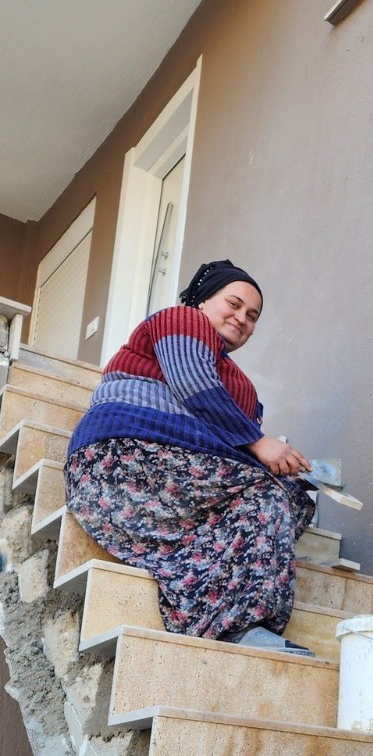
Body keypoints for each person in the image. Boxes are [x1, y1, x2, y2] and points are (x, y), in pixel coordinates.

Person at [65, 260, 316, 651]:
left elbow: (227, 440)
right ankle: (236, 626)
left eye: (252, 317)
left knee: (289, 499)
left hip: (170, 480)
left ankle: (210, 604)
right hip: (123, 460)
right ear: (202, 300)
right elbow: (192, 382)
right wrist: (259, 442)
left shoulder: (240, 383)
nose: (242, 319)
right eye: (233, 304)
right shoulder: (181, 319)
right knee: (266, 496)